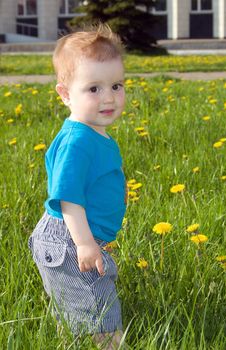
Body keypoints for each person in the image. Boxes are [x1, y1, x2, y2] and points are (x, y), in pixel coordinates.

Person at [28, 23, 127, 349]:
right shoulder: (77, 141)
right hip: (69, 241)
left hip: (76, 238)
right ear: (66, 94)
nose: (109, 97)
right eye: (94, 89)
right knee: (100, 310)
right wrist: (85, 243)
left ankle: (74, 340)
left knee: (78, 306)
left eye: (116, 85)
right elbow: (68, 197)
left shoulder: (93, 132)